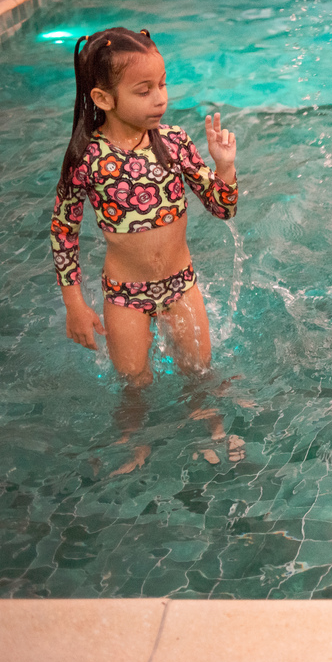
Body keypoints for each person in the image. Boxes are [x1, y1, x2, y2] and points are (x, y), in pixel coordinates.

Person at [50, 27, 242, 472]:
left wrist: (225, 168)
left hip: (180, 284)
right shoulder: (88, 158)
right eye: (144, 90)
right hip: (124, 293)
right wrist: (74, 305)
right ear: (103, 99)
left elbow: (221, 208)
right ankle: (132, 439)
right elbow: (63, 232)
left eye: (163, 84)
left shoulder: (172, 143)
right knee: (134, 383)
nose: (160, 98)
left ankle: (209, 423)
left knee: (200, 373)